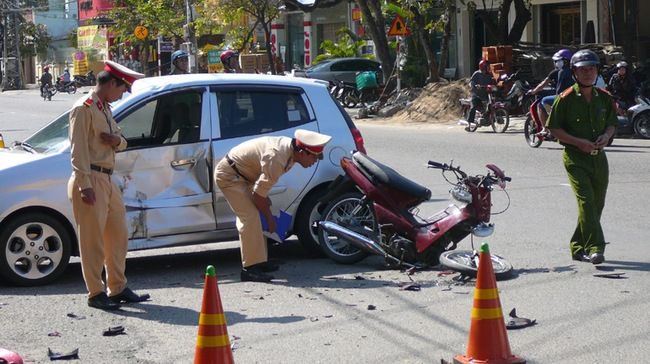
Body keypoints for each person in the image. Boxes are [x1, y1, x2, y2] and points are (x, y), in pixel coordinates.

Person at [67, 60, 150, 310]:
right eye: (122, 88)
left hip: (107, 178)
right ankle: (95, 293)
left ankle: (118, 287)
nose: (123, 94)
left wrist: (117, 141)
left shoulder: (104, 107)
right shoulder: (84, 108)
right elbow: (77, 151)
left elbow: (121, 140)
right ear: (112, 83)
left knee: (118, 235)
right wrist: (84, 185)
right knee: (93, 242)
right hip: (90, 178)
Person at [215, 129, 331, 282]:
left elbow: (260, 192)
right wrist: (270, 220)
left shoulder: (289, 152)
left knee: (259, 212)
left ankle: (259, 261)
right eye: (315, 157)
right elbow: (258, 196)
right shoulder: (277, 158)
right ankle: (249, 269)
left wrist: (265, 204)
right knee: (250, 218)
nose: (315, 161)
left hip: (244, 176)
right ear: (302, 152)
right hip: (230, 177)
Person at [546, 49, 618, 265]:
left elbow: (612, 123)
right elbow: (553, 129)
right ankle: (596, 248)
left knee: (597, 204)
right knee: (586, 202)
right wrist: (579, 143)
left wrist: (606, 135)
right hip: (575, 158)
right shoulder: (565, 99)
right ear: (574, 72)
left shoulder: (604, 98)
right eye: (583, 69)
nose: (588, 73)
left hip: (599, 159)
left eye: (592, 68)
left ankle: (578, 246)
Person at [530, 48, 574, 125]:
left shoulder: (560, 72)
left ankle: (550, 123)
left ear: (565, 61)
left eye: (557, 61)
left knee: (544, 101)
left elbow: (557, 90)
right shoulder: (575, 70)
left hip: (564, 98)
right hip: (574, 97)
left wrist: (534, 91)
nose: (555, 63)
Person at [466, 59, 496, 130]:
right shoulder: (477, 74)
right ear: (483, 67)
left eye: (489, 67)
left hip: (486, 95)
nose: (488, 68)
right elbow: (471, 82)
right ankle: (469, 124)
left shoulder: (489, 75)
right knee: (473, 107)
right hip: (476, 95)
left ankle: (488, 117)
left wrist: (494, 85)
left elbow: (492, 83)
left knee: (492, 104)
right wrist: (475, 86)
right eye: (487, 67)